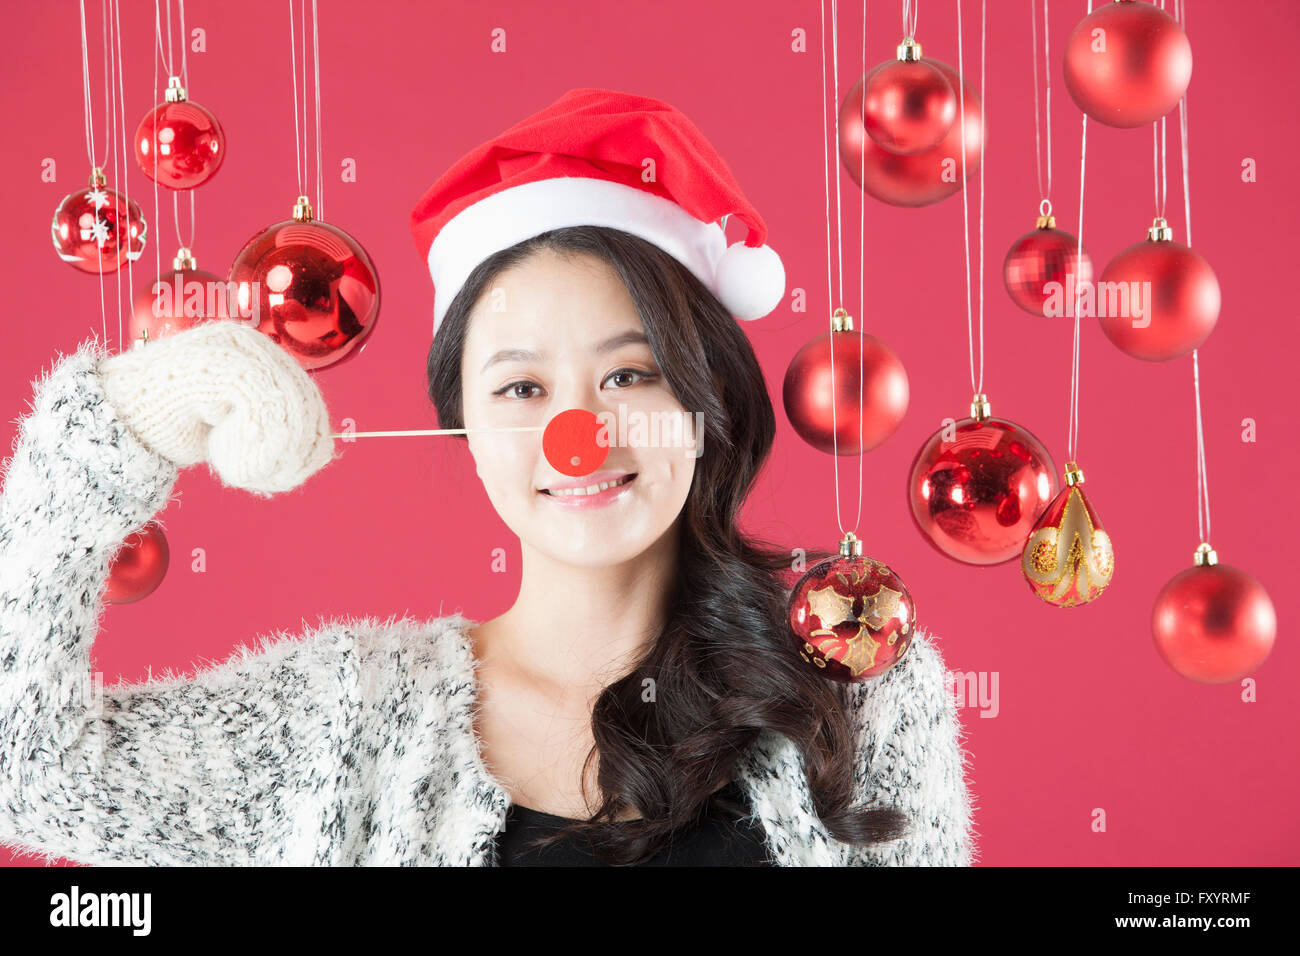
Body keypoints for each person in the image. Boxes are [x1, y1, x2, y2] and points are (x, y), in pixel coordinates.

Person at [0, 88, 974, 867]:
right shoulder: (338, 722)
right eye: (520, 384)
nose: (575, 433)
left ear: (705, 392)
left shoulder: (852, 686)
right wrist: (110, 430)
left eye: (628, 372)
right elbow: (25, 768)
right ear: (461, 422)